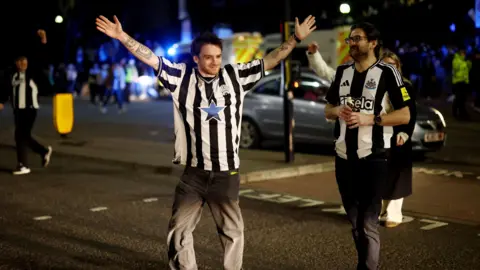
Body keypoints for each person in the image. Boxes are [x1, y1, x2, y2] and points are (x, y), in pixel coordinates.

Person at [95, 14, 316, 269]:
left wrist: (295, 39)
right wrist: (122, 36)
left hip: (226, 173)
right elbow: (150, 58)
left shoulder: (235, 77)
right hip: (194, 174)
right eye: (208, 57)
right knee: (178, 230)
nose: (214, 62)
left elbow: (271, 59)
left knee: (232, 232)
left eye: (218, 57)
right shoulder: (181, 78)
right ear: (196, 58)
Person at [324, 22, 411, 270]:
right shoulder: (342, 73)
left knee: (368, 222)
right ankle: (363, 264)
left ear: (373, 43)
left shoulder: (387, 73)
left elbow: (404, 115)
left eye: (357, 39)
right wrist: (337, 110)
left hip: (374, 158)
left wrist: (371, 119)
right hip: (343, 158)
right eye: (350, 39)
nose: (352, 43)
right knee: (354, 221)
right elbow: (327, 110)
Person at [379, 50, 417, 228]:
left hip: (397, 135)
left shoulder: (405, 87)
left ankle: (393, 214)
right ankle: (380, 211)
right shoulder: (374, 85)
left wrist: (404, 133)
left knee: (396, 176)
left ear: (398, 67)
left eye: (392, 66)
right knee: (380, 175)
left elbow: (410, 113)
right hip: (378, 135)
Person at [0, 55, 53, 175]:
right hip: (17, 109)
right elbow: (7, 89)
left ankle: (23, 165)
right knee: (23, 136)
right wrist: (2, 101)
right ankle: (43, 151)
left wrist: (43, 42)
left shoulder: (33, 73)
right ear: (16, 63)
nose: (22, 63)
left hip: (29, 109)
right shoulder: (13, 75)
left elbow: (41, 62)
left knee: (20, 135)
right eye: (19, 61)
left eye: (24, 60)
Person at [451, 46, 471, 120]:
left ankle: (462, 113)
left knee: (462, 98)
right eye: (462, 52)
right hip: (458, 82)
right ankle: (455, 113)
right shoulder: (456, 60)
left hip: (464, 82)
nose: (464, 53)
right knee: (458, 98)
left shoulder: (465, 60)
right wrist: (465, 62)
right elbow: (456, 68)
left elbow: (468, 68)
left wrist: (468, 62)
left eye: (464, 52)